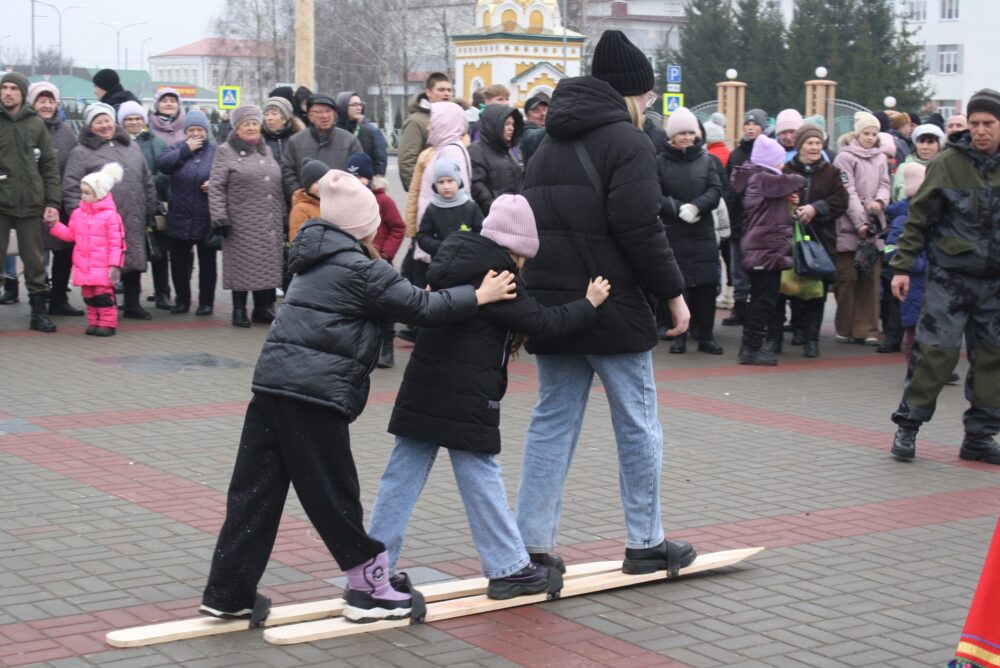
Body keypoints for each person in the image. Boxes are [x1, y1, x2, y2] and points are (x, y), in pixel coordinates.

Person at [199, 169, 519, 624]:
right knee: (334, 494)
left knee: (254, 493)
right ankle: (371, 591)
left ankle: (228, 592)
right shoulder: (362, 268)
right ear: (363, 225)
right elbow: (425, 309)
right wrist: (480, 294)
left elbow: (402, 300)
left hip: (271, 387)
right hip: (314, 395)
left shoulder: (314, 259)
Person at [514, 30, 697, 576]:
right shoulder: (629, 142)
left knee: (551, 423)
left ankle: (532, 547)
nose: (647, 104)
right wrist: (673, 294)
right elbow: (641, 228)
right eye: (643, 95)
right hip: (612, 304)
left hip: (553, 304)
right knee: (638, 424)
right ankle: (646, 542)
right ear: (628, 93)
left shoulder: (546, 143)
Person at [368, 194, 609, 598]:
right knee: (481, 475)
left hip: (423, 387)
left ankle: (375, 568)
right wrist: (590, 303)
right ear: (518, 246)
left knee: (401, 476)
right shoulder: (498, 277)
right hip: (466, 394)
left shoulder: (451, 260)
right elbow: (544, 323)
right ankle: (509, 568)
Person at [889, 89, 1000, 464]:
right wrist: (902, 267)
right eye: (975, 124)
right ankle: (908, 427)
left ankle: (980, 438)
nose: (981, 131)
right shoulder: (947, 163)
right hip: (950, 278)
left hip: (995, 283)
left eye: (989, 123)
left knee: (992, 359)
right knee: (936, 354)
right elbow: (918, 218)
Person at [64, 102, 156, 320]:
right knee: (105, 266)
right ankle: (106, 309)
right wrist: (79, 214)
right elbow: (70, 185)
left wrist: (151, 206)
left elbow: (146, 177)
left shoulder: (130, 146)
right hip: (99, 222)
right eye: (98, 122)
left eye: (107, 120)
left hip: (132, 215)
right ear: (90, 125)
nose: (104, 125)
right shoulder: (81, 152)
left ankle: (133, 304)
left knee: (133, 260)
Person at [208, 105, 285, 327]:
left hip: (268, 219)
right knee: (241, 267)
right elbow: (216, 187)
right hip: (240, 222)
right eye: (246, 124)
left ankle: (262, 309)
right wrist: (219, 217)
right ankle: (239, 310)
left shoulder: (266, 150)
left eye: (254, 123)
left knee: (267, 266)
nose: (251, 128)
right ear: (237, 128)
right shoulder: (225, 151)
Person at [730, 135, 805, 366]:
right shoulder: (764, 178)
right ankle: (751, 349)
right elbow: (798, 180)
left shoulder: (753, 176)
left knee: (762, 298)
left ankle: (751, 346)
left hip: (762, 248)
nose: (782, 165)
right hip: (765, 248)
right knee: (764, 299)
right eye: (779, 161)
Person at [655, 107, 723, 354]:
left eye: (690, 133)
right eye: (681, 133)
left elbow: (715, 190)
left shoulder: (706, 161)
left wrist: (696, 207)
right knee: (678, 285)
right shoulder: (659, 162)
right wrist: (676, 208)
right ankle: (679, 336)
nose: (686, 137)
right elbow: (654, 194)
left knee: (706, 286)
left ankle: (705, 336)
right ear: (672, 136)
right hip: (674, 232)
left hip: (701, 230)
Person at [0, 72, 61, 332]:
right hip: (1, 203)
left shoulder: (36, 124)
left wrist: (52, 202)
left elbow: (49, 164)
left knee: (35, 262)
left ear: (23, 93)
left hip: (31, 203)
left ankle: (38, 313)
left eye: (14, 88)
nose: (8, 93)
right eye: (4, 88)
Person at [782, 123, 849, 358]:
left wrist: (816, 208)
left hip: (821, 239)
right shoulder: (787, 169)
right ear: (800, 146)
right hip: (791, 238)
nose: (814, 147)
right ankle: (797, 328)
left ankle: (812, 339)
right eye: (810, 143)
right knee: (792, 284)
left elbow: (841, 201)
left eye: (818, 143)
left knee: (817, 290)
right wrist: (792, 208)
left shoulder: (831, 172)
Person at [832, 112, 891, 346]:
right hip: (849, 227)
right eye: (866, 133)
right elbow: (849, 192)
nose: (870, 137)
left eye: (874, 134)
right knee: (847, 279)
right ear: (858, 133)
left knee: (871, 279)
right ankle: (845, 327)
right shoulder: (844, 158)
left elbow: (885, 183)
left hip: (875, 226)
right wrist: (860, 223)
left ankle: (867, 328)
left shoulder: (881, 158)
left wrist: (881, 202)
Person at [46, 163, 125, 336]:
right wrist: (55, 226)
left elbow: (117, 243)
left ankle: (107, 323)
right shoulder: (78, 214)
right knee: (89, 296)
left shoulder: (111, 216)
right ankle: (94, 322)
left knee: (103, 296)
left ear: (100, 194)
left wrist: (114, 265)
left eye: (87, 193)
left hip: (103, 266)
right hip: (85, 266)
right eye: (82, 192)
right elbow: (70, 235)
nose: (83, 196)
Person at [345, 152, 405, 368]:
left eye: (360, 177)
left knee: (385, 307)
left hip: (379, 263)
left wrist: (386, 253)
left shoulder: (383, 201)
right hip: (355, 263)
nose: (357, 182)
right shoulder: (346, 202)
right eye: (351, 177)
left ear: (369, 178)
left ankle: (386, 348)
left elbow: (399, 227)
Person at [27, 81, 83, 317]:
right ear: (32, 103)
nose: (47, 105)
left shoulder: (67, 132)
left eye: (51, 101)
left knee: (64, 251)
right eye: (42, 100)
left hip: (60, 201)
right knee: (35, 255)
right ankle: (37, 302)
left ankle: (59, 298)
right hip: (30, 202)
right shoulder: (24, 128)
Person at [156, 110, 219, 316]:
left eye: (199, 130)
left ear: (206, 131)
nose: (195, 134)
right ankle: (182, 300)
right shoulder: (176, 148)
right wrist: (185, 149)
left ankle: (206, 302)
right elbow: (163, 164)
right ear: (185, 132)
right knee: (179, 263)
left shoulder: (217, 152)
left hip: (206, 215)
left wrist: (215, 184)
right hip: (179, 215)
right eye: (191, 130)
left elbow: (227, 175)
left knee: (207, 263)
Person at [118, 100, 173, 311]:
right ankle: (130, 297)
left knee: (158, 251)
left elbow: (165, 169)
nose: (133, 122)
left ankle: (162, 293)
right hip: (127, 206)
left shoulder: (156, 142)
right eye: (129, 119)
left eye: (137, 118)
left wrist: (149, 181)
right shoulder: (117, 143)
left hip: (153, 204)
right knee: (130, 251)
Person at [722, 108, 768, 328]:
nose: (750, 128)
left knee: (759, 268)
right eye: (747, 124)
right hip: (739, 220)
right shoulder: (736, 154)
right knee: (737, 267)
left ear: (763, 127)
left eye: (755, 124)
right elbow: (728, 189)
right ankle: (739, 307)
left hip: (760, 221)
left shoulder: (768, 152)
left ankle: (758, 309)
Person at [883, 162, 927, 359]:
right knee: (913, 331)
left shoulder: (928, 214)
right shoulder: (903, 219)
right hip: (912, 282)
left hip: (926, 282)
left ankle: (931, 367)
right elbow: (891, 250)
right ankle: (915, 367)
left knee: (928, 329)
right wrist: (919, 264)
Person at [280, 94, 362, 200]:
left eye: (328, 111)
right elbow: (287, 171)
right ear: (310, 116)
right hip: (307, 203)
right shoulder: (295, 141)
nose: (324, 116)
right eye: (319, 112)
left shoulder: (350, 141)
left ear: (334, 114)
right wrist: (298, 193)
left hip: (341, 202)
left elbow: (358, 172)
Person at [416, 158, 484, 261]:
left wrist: (467, 247)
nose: (446, 186)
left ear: (458, 181)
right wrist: (441, 246)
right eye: (441, 182)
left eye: (450, 181)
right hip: (441, 261)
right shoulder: (432, 209)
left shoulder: (470, 207)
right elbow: (423, 236)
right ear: (435, 185)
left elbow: (481, 233)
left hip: (468, 260)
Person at [398, 73, 453, 191]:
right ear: (428, 92)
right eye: (441, 90)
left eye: (449, 90)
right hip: (428, 192)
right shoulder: (416, 121)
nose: (446, 94)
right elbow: (407, 161)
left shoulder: (451, 117)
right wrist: (420, 191)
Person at [469, 105, 524, 215]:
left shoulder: (507, 150)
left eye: (513, 124)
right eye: (507, 124)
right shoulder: (476, 151)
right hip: (494, 218)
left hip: (512, 214)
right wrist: (498, 212)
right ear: (494, 124)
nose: (512, 128)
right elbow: (478, 188)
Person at [335, 92, 386, 176]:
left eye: (360, 104)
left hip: (363, 182)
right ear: (343, 107)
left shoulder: (371, 131)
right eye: (354, 104)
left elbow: (380, 161)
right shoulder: (334, 131)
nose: (359, 108)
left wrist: (375, 180)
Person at [891, 124, 945, 202]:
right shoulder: (904, 167)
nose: (925, 147)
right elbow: (896, 196)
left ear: (939, 146)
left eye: (930, 142)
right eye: (921, 142)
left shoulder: (944, 168)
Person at [288, 158, 329, 243]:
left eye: (325, 181)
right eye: (317, 182)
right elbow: (297, 241)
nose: (322, 185)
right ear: (308, 186)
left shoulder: (331, 203)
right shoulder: (300, 209)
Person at [261, 96, 304, 167]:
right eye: (266, 114)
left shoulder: (297, 139)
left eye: (274, 114)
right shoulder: (260, 140)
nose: (269, 118)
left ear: (284, 118)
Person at [519, 94, 549, 164]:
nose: (543, 114)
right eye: (536, 111)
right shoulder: (526, 132)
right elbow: (534, 135)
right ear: (526, 115)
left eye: (544, 110)